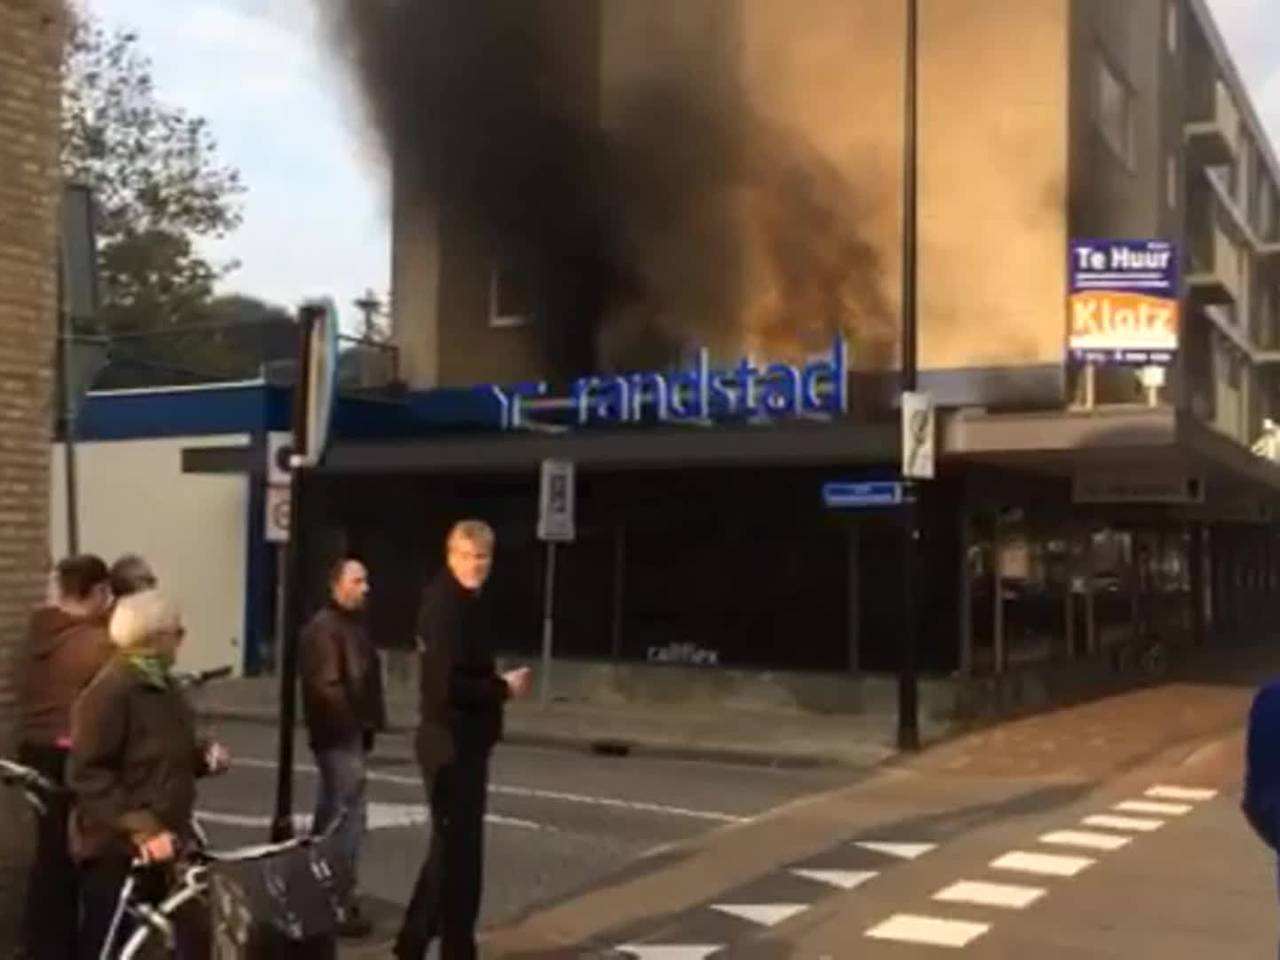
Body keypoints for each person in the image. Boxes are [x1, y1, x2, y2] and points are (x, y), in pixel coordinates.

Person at [67, 590, 230, 960]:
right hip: (118, 847)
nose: (183, 639)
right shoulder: (109, 692)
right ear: (153, 638)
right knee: (112, 943)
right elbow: (87, 774)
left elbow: (163, 754)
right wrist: (143, 828)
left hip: (168, 841)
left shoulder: (165, 687)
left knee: (186, 938)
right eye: (178, 631)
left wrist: (202, 757)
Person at [395, 520, 532, 960]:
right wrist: (503, 689)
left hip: (466, 741)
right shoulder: (444, 608)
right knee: (460, 858)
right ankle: (456, 948)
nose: (477, 566)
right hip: (449, 745)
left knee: (449, 851)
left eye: (483, 557)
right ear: (450, 556)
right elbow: (444, 687)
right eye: (468, 556)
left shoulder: (467, 602)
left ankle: (413, 942)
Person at [16, 554, 114, 960]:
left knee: (49, 851)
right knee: (87, 852)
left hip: (34, 750)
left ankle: (42, 944)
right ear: (97, 592)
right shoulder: (96, 645)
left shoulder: (37, 635)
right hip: (73, 752)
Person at [299, 556, 386, 938]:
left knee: (335, 814)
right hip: (339, 736)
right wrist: (354, 726)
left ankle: (320, 890)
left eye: (365, 580)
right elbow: (328, 688)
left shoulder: (349, 627)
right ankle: (336, 899)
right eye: (357, 580)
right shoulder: (325, 630)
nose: (365, 587)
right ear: (336, 585)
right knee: (346, 819)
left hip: (347, 734)